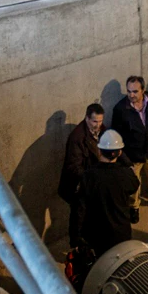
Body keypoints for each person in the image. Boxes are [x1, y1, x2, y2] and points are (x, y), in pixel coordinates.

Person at [111, 76, 148, 222]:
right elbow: (116, 135)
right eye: (129, 91)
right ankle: (134, 207)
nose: (131, 95)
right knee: (133, 184)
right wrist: (124, 157)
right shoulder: (120, 109)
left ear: (143, 90)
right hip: (133, 156)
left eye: (135, 91)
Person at [78, 130, 139, 257]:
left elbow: (80, 208)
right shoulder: (125, 175)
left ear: (99, 151)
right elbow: (134, 185)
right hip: (121, 232)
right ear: (120, 152)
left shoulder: (89, 176)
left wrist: (76, 236)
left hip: (97, 233)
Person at [59, 103, 104, 248]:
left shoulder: (102, 130)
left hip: (92, 180)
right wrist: (92, 178)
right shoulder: (77, 138)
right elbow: (73, 167)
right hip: (78, 185)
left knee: (90, 215)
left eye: (100, 121)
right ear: (86, 119)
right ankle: (76, 245)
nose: (98, 125)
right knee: (79, 215)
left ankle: (87, 241)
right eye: (95, 121)